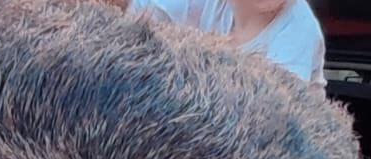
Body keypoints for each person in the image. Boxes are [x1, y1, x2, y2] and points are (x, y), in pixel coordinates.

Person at [128, 0, 326, 87]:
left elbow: (276, 112)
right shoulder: (209, 5)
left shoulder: (299, 32)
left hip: (276, 149)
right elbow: (135, 19)